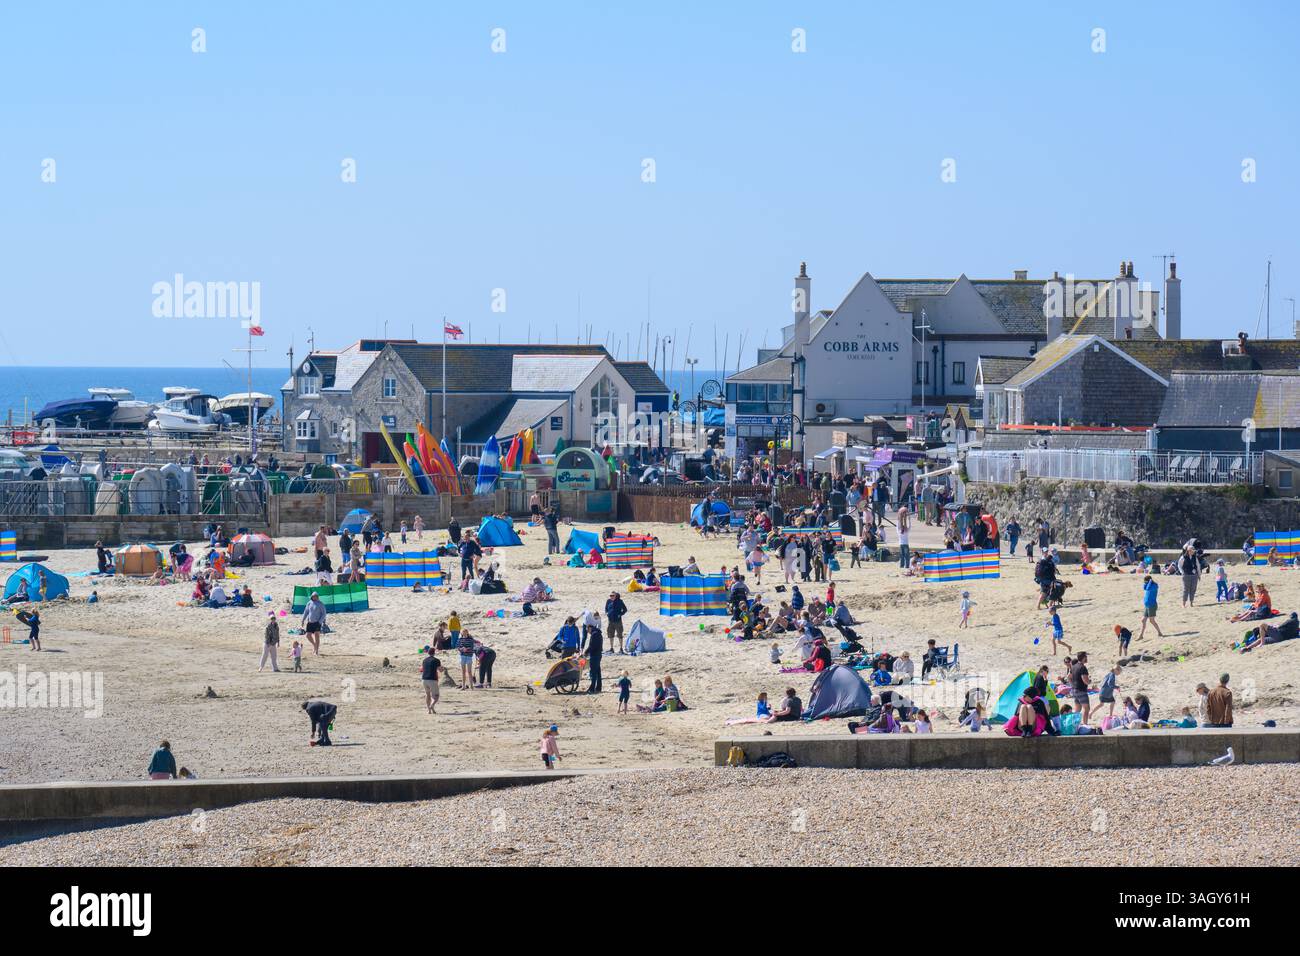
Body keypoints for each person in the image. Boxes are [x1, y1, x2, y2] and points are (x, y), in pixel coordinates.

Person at [1138, 575, 1164, 640]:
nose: (1145, 583)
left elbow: (1148, 588)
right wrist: (1147, 583)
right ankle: (1141, 635)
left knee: (1151, 621)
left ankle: (1160, 633)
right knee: (1143, 620)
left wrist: (1150, 582)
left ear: (1149, 581)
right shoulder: (1147, 585)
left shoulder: (1154, 586)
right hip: (1147, 606)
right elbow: (1144, 588)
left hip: (1152, 605)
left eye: (1146, 582)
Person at [1070, 651, 1092, 725]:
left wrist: (1072, 684)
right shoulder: (1083, 667)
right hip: (1081, 690)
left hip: (1074, 689)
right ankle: (1085, 725)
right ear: (1083, 658)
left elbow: (1069, 677)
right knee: (1086, 708)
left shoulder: (1074, 666)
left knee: (1078, 709)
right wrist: (1089, 682)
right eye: (1086, 657)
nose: (1087, 658)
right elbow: (1085, 680)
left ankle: (1074, 724)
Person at [583, 615, 604, 693]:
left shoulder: (594, 634)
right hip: (598, 654)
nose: (587, 632)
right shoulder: (598, 633)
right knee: (598, 672)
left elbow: (592, 646)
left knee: (593, 672)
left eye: (587, 630)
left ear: (590, 628)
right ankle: (598, 687)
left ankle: (592, 688)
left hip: (595, 655)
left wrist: (586, 652)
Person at [421, 645, 442, 713]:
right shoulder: (436, 660)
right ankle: (432, 705)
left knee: (428, 695)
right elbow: (440, 670)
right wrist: (443, 669)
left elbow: (423, 669)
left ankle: (429, 710)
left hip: (424, 679)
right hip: (432, 679)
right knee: (436, 695)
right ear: (434, 653)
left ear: (428, 653)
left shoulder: (424, 660)